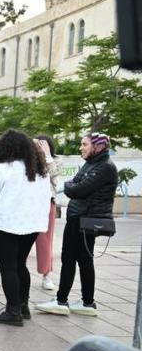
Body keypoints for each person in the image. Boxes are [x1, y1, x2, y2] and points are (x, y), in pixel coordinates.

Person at [36, 132, 118, 318]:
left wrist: (72, 186)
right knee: (80, 260)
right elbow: (75, 185)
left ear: (97, 147)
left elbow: (77, 189)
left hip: (84, 219)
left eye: (84, 144)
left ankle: (62, 301)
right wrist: (73, 185)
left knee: (73, 259)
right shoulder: (93, 163)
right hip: (79, 218)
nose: (81, 147)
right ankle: (87, 302)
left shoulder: (104, 167)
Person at [0, 130, 51, 325]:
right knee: (20, 264)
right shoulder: (39, 170)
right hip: (32, 225)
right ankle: (23, 306)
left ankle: (12, 311)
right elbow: (46, 198)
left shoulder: (0, 168)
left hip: (5, 223)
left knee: (8, 267)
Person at [34, 135, 60, 291]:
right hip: (28, 204)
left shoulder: (55, 161)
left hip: (46, 203)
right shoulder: (28, 160)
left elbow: (53, 175)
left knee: (45, 241)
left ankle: (46, 274)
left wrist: (47, 155)